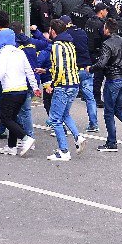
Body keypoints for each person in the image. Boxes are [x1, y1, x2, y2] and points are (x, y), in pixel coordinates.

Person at [0, 31, 40, 158]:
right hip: (23, 90)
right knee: (13, 118)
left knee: (5, 118)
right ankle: (12, 147)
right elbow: (29, 70)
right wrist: (35, 87)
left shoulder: (2, 52)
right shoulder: (19, 51)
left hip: (10, 90)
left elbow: (1, 72)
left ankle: (25, 138)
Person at [90, 19, 122, 152]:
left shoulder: (107, 44)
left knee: (109, 112)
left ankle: (111, 142)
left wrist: (90, 69)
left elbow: (101, 63)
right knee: (118, 109)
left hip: (113, 79)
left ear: (107, 29)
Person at [45, 19, 87, 162]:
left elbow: (60, 69)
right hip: (74, 84)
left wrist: (52, 83)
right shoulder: (70, 44)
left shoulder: (56, 45)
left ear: (53, 31)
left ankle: (63, 151)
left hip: (63, 86)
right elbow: (70, 66)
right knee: (65, 115)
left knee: (55, 119)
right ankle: (78, 137)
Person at [59, 15, 98, 133]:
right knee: (90, 98)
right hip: (87, 68)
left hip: (74, 70)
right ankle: (93, 124)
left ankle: (62, 124)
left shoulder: (66, 36)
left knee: (66, 97)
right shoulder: (82, 32)